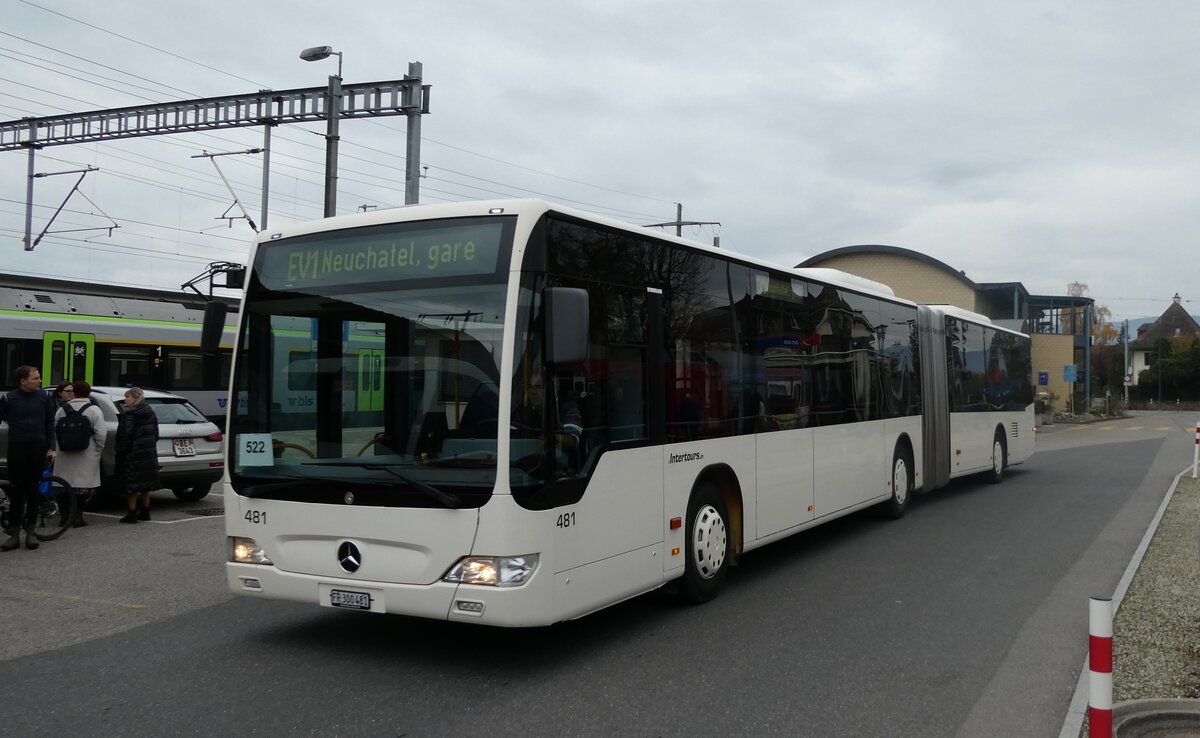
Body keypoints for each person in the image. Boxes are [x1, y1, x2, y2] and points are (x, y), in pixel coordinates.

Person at [0, 366, 57, 551]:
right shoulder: (9, 398)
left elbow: (50, 422)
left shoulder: (44, 397)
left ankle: (31, 533)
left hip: (37, 448)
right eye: (35, 378)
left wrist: (51, 447)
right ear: (23, 381)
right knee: (16, 491)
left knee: (33, 490)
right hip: (17, 448)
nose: (39, 381)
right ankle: (14, 534)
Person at [52, 380, 105, 528]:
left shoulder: (62, 409)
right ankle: (77, 516)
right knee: (83, 486)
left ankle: (64, 515)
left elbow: (55, 429)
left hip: (64, 452)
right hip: (86, 452)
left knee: (63, 484)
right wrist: (98, 448)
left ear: (74, 392)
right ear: (89, 393)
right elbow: (101, 433)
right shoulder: (93, 409)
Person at [115, 387, 159, 524]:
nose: (125, 400)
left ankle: (131, 513)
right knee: (145, 484)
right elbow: (156, 433)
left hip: (134, 453)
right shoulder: (150, 411)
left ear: (135, 398)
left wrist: (122, 451)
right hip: (149, 452)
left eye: (127, 397)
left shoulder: (130, 414)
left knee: (131, 485)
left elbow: (126, 435)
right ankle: (145, 511)